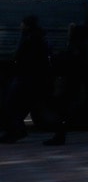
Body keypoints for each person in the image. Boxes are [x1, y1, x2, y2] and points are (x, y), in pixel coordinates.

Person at [0, 15, 51, 143]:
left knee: (10, 104)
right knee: (15, 106)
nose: (20, 26)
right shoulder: (34, 37)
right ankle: (16, 131)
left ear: (27, 25)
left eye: (22, 23)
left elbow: (25, 58)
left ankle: (16, 131)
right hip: (28, 76)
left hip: (25, 76)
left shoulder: (31, 38)